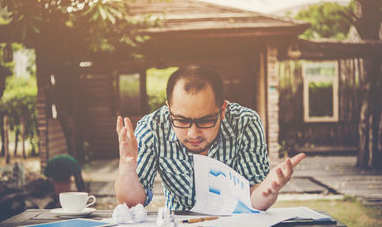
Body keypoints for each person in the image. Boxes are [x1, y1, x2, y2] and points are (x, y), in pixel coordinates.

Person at [115, 65, 305, 211]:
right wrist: (127, 169)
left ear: (222, 110)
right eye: (181, 120)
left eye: (205, 120)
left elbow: (253, 199)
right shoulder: (151, 128)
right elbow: (132, 203)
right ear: (169, 108)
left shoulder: (246, 123)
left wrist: (267, 190)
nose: (193, 133)